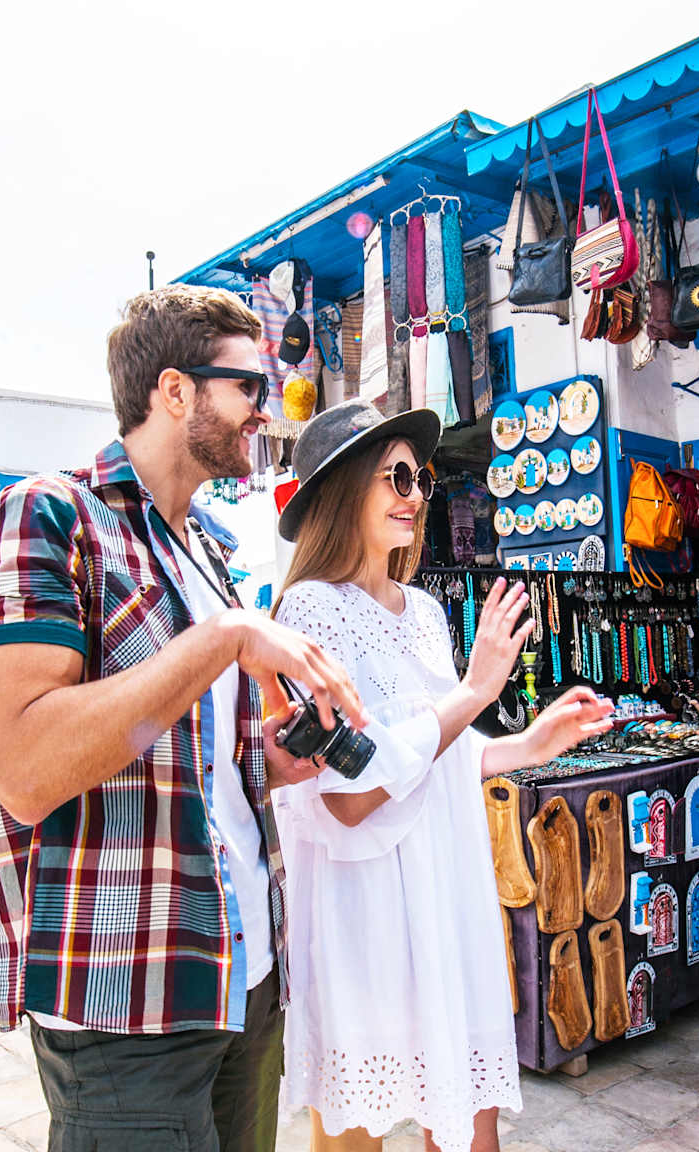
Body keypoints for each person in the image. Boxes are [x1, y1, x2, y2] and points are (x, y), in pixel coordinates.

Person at [0, 284, 366, 1152]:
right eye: (249, 388)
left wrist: (264, 761)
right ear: (175, 392)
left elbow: (167, 752)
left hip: (245, 979)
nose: (265, 412)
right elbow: (25, 770)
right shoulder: (49, 514)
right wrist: (224, 636)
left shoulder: (211, 553)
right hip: (127, 1003)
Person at [269, 403, 615, 1152]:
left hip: (446, 893)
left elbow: (436, 754)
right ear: (343, 489)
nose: (414, 493)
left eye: (418, 476)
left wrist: (526, 743)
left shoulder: (424, 611)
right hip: (365, 909)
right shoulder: (309, 610)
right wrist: (474, 693)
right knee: (354, 1132)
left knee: (467, 1122)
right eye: (394, 475)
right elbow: (352, 795)